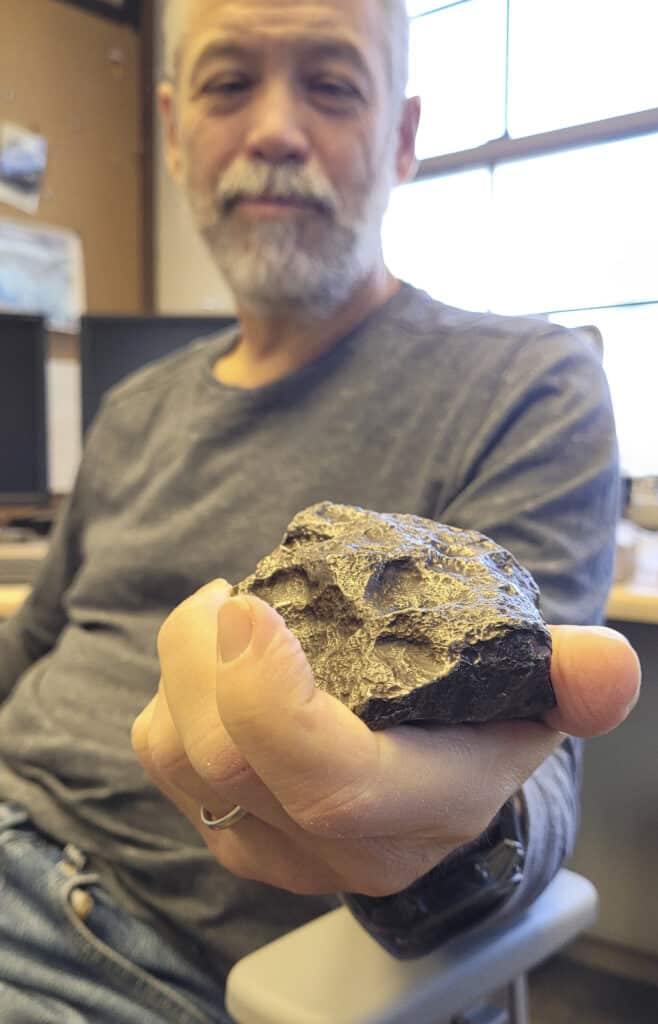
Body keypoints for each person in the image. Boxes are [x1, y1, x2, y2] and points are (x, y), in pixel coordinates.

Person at [0, 0, 641, 1021]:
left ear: (402, 135)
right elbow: (33, 644)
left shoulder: (528, 384)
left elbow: (532, 777)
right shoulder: (132, 409)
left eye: (333, 85)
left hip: (116, 956)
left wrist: (435, 846)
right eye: (227, 84)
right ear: (173, 132)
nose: (274, 131)